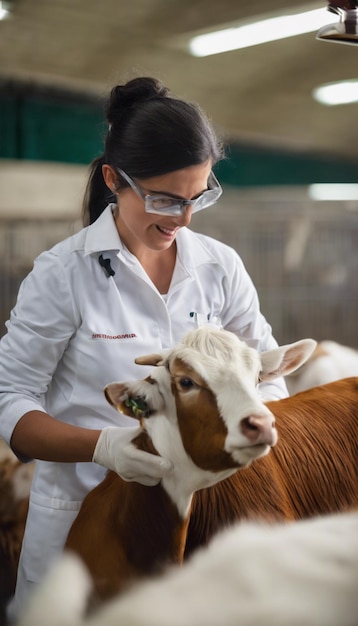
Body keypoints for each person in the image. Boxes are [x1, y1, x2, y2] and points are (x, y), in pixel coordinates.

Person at [0, 76, 288, 621]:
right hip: (80, 522)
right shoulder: (64, 274)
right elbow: (10, 401)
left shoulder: (219, 267)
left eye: (198, 197)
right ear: (113, 179)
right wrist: (104, 447)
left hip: (197, 523)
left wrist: (248, 424)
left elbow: (268, 374)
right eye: (163, 199)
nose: (182, 219)